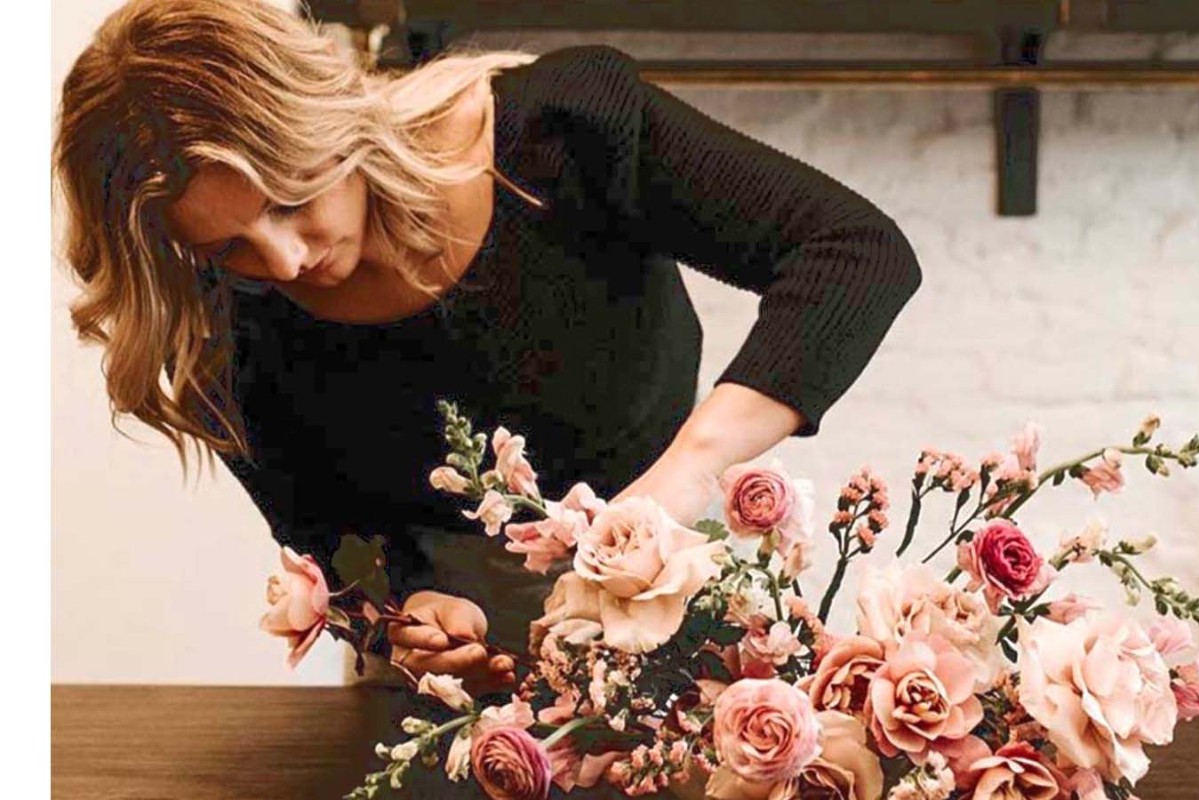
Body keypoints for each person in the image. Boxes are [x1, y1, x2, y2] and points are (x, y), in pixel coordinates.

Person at [55, 0, 920, 740]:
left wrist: (683, 478)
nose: (283, 262)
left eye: (289, 199)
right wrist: (413, 614)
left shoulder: (563, 131)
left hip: (687, 590)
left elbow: (854, 252)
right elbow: (327, 537)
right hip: (448, 707)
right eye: (226, 245)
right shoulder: (218, 320)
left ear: (333, 121)